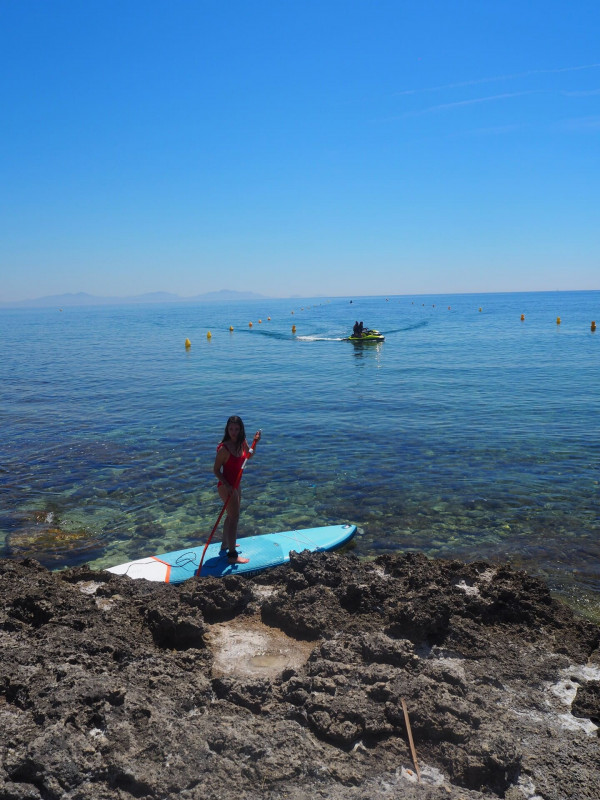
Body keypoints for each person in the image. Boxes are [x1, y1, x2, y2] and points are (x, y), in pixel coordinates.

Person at [213, 416, 261, 564]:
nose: (233, 432)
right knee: (234, 518)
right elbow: (215, 470)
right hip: (226, 487)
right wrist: (227, 485)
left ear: (241, 430)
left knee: (230, 515)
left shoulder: (242, 442)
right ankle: (232, 556)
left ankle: (225, 544)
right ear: (227, 429)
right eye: (231, 429)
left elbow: (249, 456)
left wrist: (256, 442)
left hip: (236, 485)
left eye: (236, 429)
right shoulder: (224, 448)